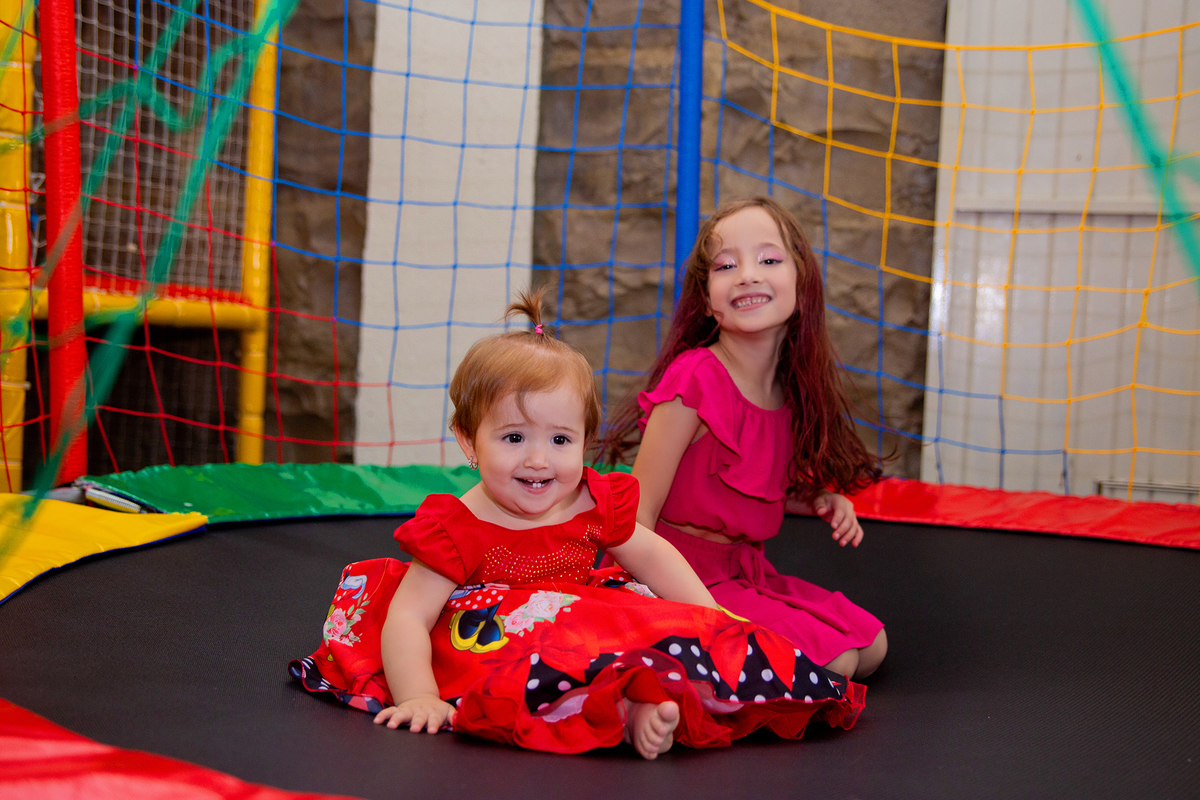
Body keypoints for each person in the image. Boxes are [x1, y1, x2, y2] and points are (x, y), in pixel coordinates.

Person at [290, 289, 864, 759]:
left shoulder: (593, 499)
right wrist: (419, 695)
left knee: (661, 636)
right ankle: (624, 710)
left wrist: (711, 615)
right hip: (501, 641)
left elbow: (654, 555)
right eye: (514, 438)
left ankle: (650, 703)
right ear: (468, 440)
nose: (539, 460)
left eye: (560, 440)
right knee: (524, 675)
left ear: (585, 443)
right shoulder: (456, 524)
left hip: (582, 620)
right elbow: (409, 616)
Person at [601, 196, 888, 680]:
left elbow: (751, 485)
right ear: (707, 301)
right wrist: (656, 601)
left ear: (802, 281)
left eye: (769, 260)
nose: (748, 275)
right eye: (726, 265)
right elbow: (637, 514)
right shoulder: (695, 379)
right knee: (835, 662)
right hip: (679, 573)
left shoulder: (790, 390)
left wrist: (820, 498)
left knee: (871, 645)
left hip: (743, 569)